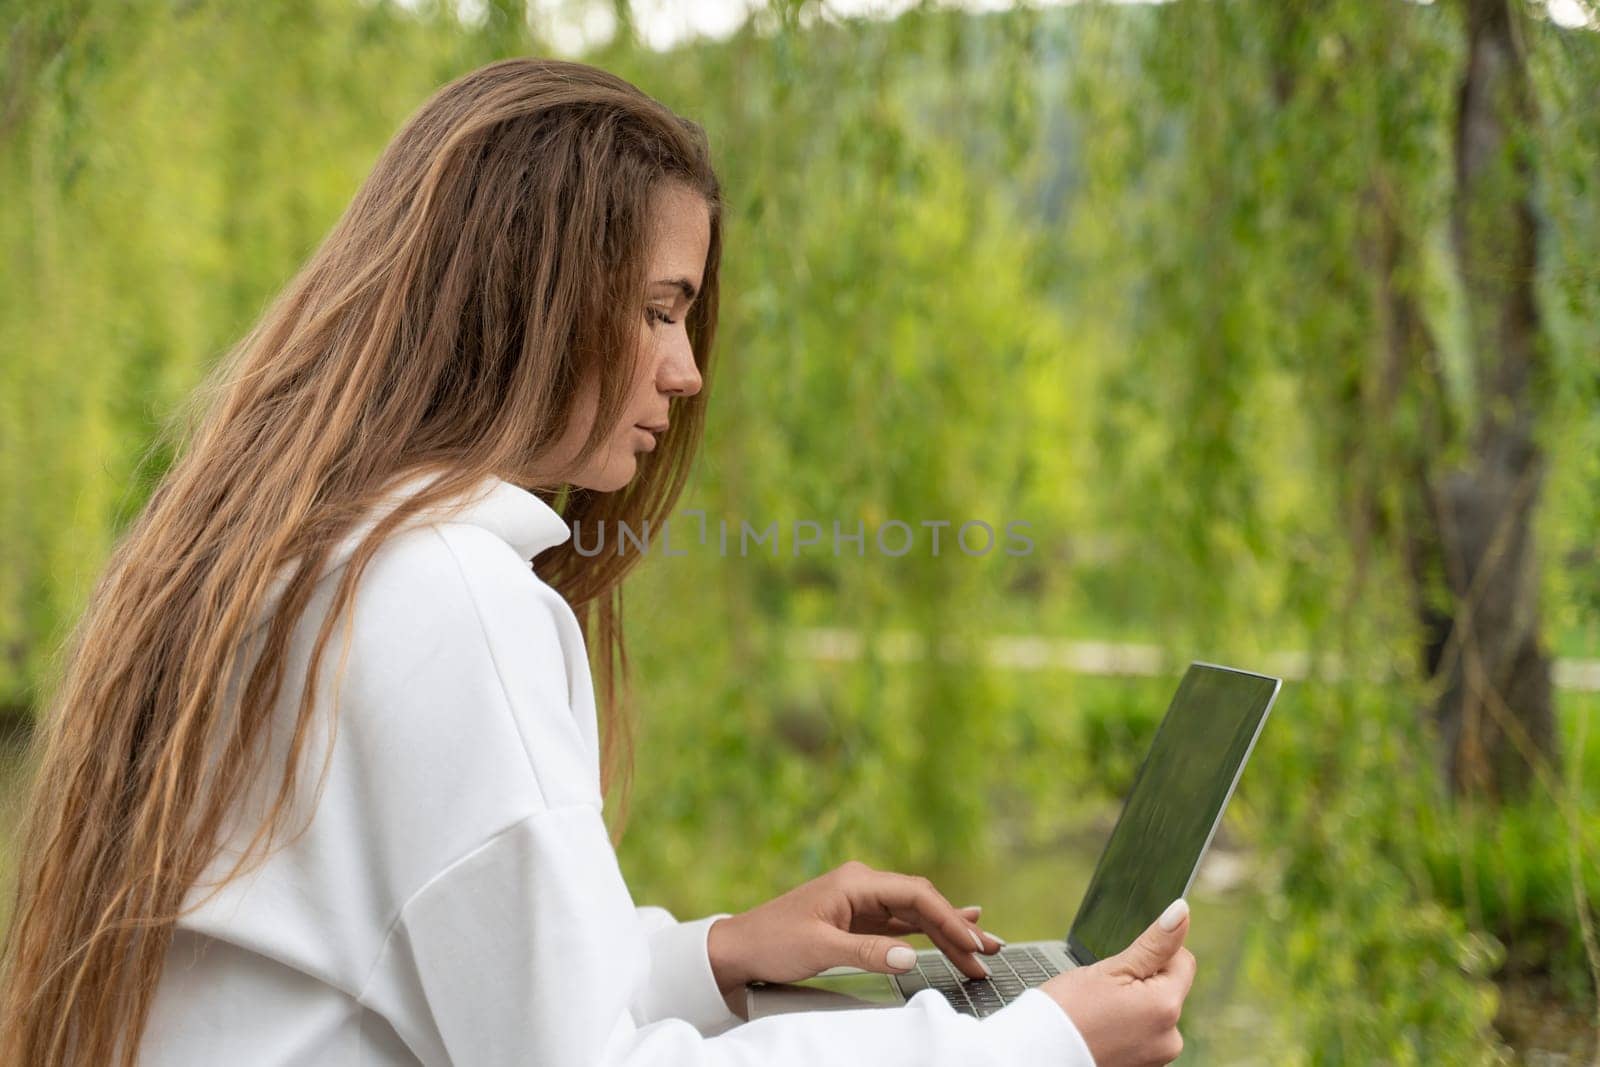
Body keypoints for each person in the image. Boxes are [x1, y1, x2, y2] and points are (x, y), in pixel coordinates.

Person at [0, 58, 1196, 1066]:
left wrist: (706, 954)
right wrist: (1037, 1038)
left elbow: (444, 979)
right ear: (531, 298)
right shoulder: (445, 594)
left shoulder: (312, 556)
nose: (685, 373)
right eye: (659, 309)